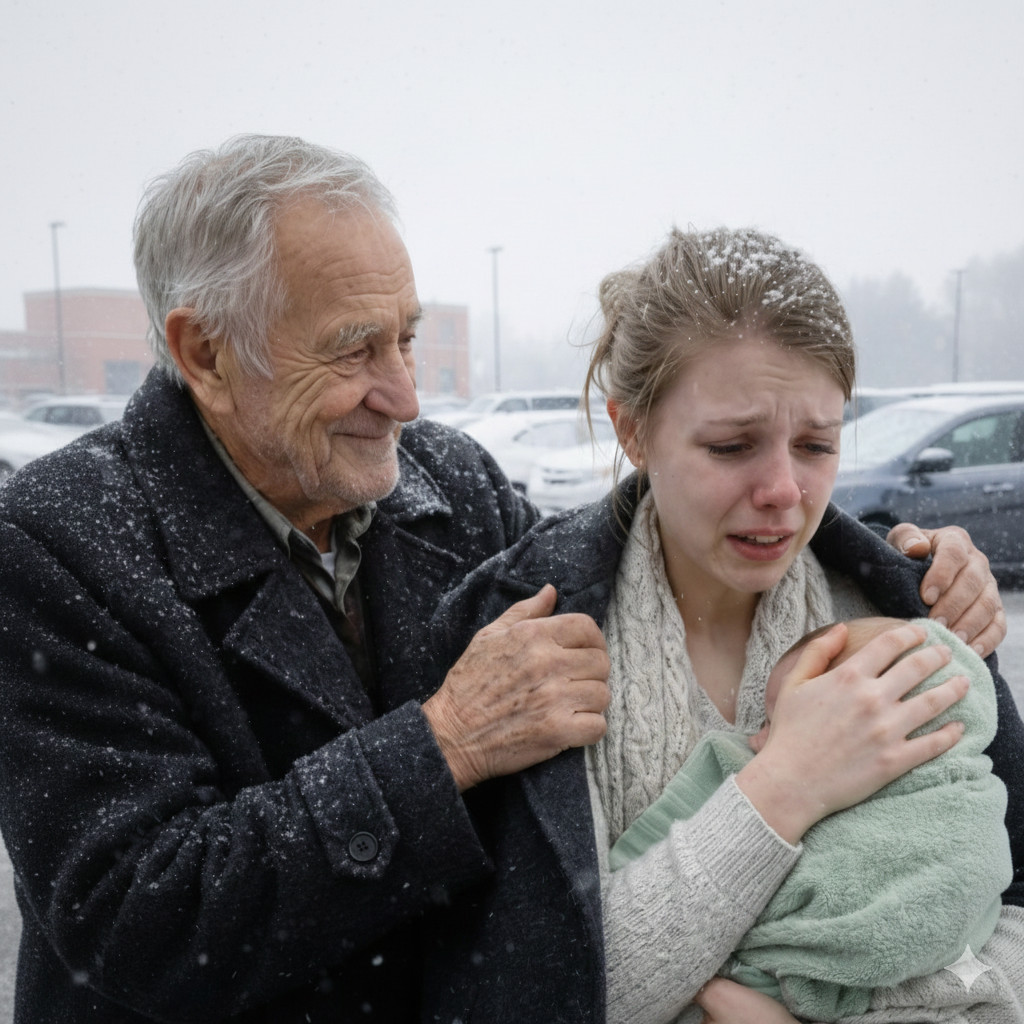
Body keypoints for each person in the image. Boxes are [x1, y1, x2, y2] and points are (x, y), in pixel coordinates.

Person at [0, 138, 1005, 1023]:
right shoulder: (62, 544)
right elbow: (138, 913)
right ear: (204, 352)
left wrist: (900, 561)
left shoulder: (449, 486)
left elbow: (652, 566)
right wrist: (439, 746)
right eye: (355, 350)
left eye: (405, 336)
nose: (403, 394)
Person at [427, 227, 1024, 1023]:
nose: (784, 489)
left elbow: (1008, 900)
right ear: (632, 428)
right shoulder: (521, 652)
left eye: (816, 444)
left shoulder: (905, 615)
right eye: (733, 444)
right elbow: (536, 990)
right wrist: (786, 784)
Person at [611, 616, 1016, 1022]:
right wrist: (786, 782)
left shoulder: (913, 593)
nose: (755, 741)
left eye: (775, 722)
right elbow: (588, 982)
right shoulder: (567, 661)